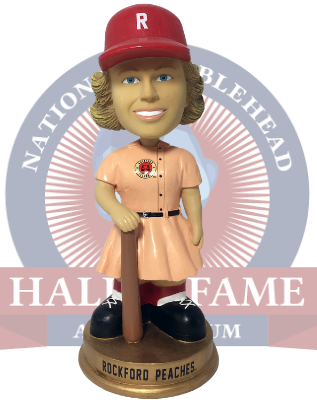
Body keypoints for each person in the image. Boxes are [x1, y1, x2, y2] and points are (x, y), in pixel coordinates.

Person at [89, 4, 206, 342]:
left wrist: (197, 223)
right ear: (109, 95)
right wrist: (117, 210)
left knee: (170, 267)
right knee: (130, 271)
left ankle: (171, 300)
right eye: (129, 79)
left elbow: (190, 191)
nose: (149, 93)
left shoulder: (182, 157)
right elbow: (102, 190)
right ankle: (123, 298)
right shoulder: (117, 159)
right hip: (132, 227)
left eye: (164, 76)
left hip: (169, 224)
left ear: (188, 89)